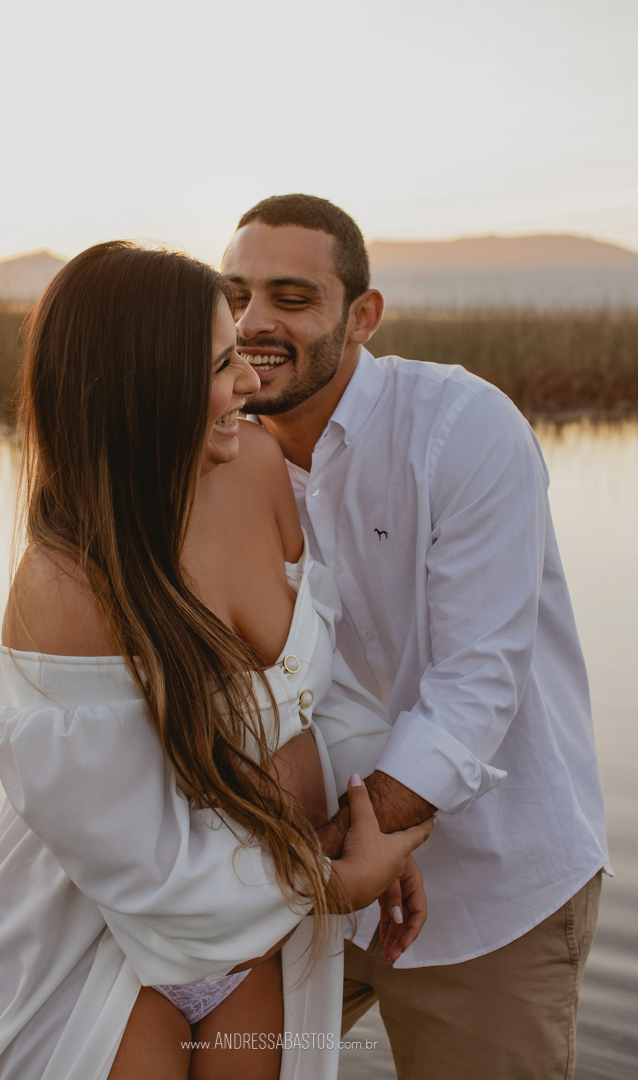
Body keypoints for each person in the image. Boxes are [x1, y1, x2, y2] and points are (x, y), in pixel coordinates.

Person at [0, 241, 434, 1080]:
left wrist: (375, 824)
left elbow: (310, 696)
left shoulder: (255, 467)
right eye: (223, 365)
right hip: (113, 945)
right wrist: (336, 883)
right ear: (147, 392)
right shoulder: (65, 585)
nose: (251, 385)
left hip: (272, 931)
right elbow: (145, 873)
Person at [222, 193, 611, 1080]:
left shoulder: (460, 429)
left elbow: (475, 683)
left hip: (486, 891)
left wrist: (348, 844)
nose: (252, 323)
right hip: (298, 881)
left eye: (290, 296)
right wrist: (290, 871)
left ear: (362, 318)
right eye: (235, 292)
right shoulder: (215, 457)